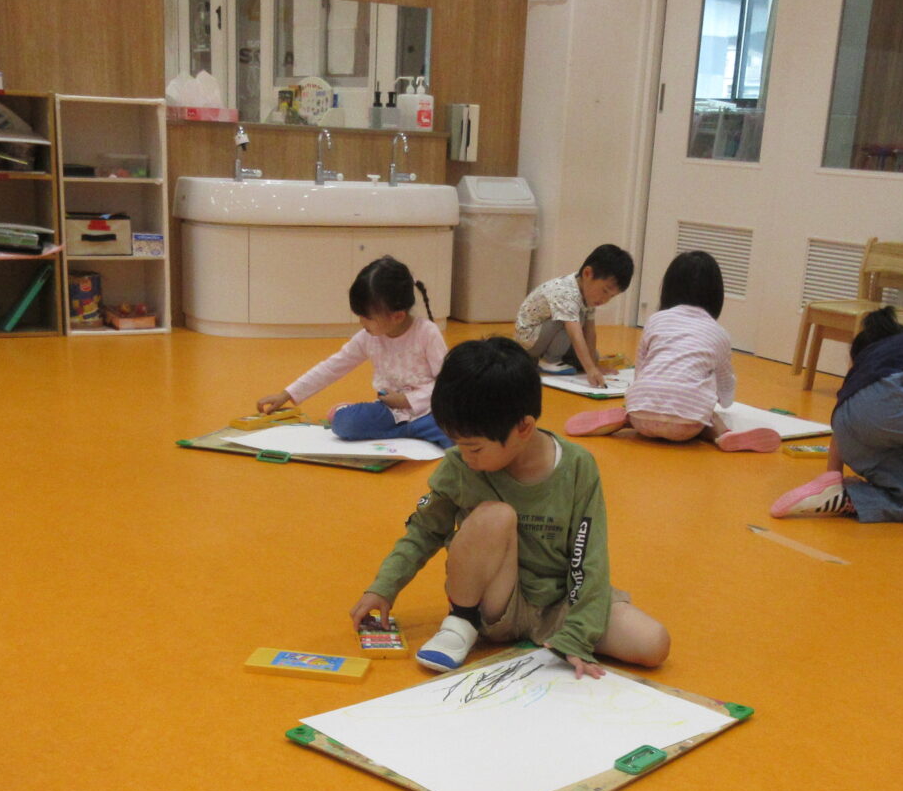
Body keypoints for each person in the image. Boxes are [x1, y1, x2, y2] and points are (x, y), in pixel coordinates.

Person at [350, 337, 668, 675]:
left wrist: (579, 632)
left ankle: (557, 636)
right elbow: (424, 531)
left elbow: (589, 556)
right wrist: (384, 587)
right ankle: (461, 622)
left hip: (560, 605)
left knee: (653, 643)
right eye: (459, 445)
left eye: (474, 448)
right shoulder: (459, 466)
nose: (465, 458)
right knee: (495, 515)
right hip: (495, 606)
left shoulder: (577, 467)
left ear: (523, 428)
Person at [770, 308, 903, 528]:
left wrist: (833, 476)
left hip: (846, 423)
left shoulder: (868, 365)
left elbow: (846, 421)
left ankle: (841, 497)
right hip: (887, 407)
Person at [563, 252, 779, 452]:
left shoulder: (655, 321)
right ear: (716, 295)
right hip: (687, 426)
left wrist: (641, 396)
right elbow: (725, 379)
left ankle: (625, 419)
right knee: (706, 417)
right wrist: (725, 402)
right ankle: (724, 435)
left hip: (642, 415)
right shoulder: (718, 333)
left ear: (668, 289)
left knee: (642, 409)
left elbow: (642, 367)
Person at [256, 256, 451, 447]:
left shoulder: (427, 333)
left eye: (367, 317)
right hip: (390, 412)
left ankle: (403, 431)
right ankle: (402, 430)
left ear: (397, 316)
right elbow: (332, 367)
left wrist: (408, 400)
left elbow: (448, 384)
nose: (361, 322)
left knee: (456, 432)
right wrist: (287, 394)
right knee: (345, 424)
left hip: (429, 412)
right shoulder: (367, 337)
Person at [516, 245, 634, 389]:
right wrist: (590, 369)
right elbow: (575, 333)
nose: (605, 299)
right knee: (572, 321)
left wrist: (594, 365)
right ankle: (549, 360)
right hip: (529, 340)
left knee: (592, 355)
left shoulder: (588, 294)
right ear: (587, 273)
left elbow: (590, 331)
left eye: (611, 296)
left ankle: (546, 359)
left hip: (546, 337)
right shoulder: (566, 292)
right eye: (604, 291)